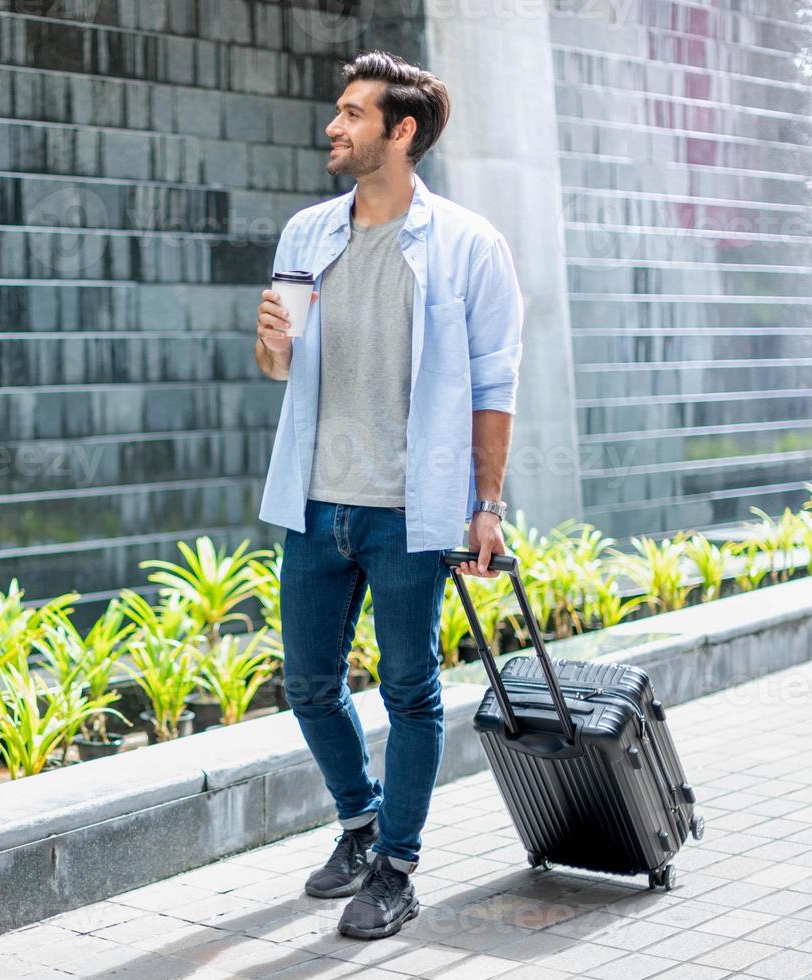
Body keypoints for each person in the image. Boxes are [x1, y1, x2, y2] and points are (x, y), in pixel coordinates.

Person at [254, 50, 524, 940]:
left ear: (399, 132)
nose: (333, 126)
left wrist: (485, 506)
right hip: (315, 502)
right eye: (337, 113)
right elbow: (277, 364)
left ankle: (397, 867)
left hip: (413, 510)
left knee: (410, 694)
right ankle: (360, 823)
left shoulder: (467, 244)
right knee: (307, 684)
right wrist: (269, 345)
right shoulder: (307, 233)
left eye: (350, 113)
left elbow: (494, 383)